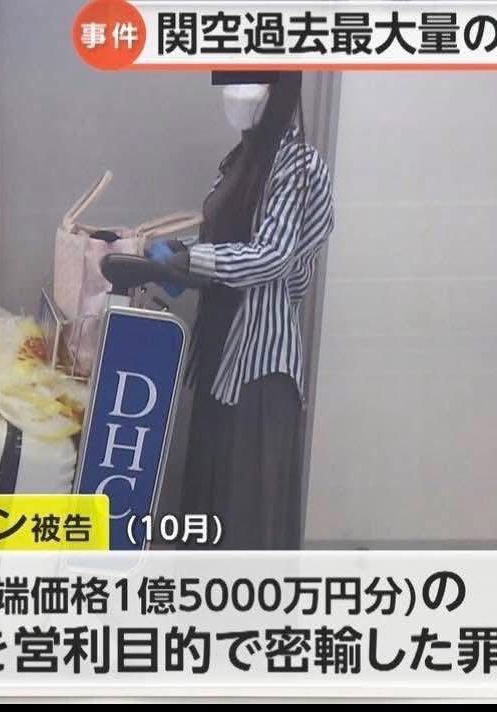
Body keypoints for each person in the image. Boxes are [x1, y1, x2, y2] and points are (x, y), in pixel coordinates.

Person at [148, 71, 335, 550]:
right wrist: (178, 253)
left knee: (244, 513)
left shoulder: (298, 163)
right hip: (219, 350)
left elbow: (274, 256)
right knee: (209, 500)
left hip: (258, 366)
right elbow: (224, 240)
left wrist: (194, 260)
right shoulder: (241, 158)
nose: (234, 92)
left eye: (249, 79)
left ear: (281, 90)